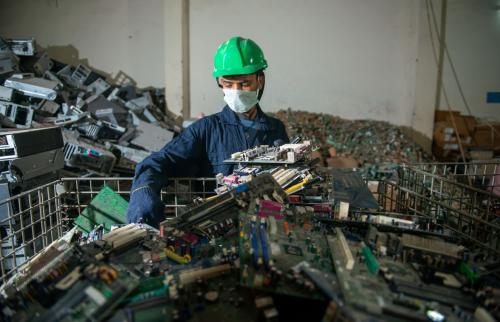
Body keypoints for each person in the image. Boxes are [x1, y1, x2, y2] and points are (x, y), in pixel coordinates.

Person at [126, 36, 289, 226]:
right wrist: (143, 190)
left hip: (265, 223)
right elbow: (159, 161)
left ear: (260, 80)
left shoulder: (275, 129)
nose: (236, 91)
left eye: (244, 83)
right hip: (218, 226)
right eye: (228, 84)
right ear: (220, 82)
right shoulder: (205, 130)